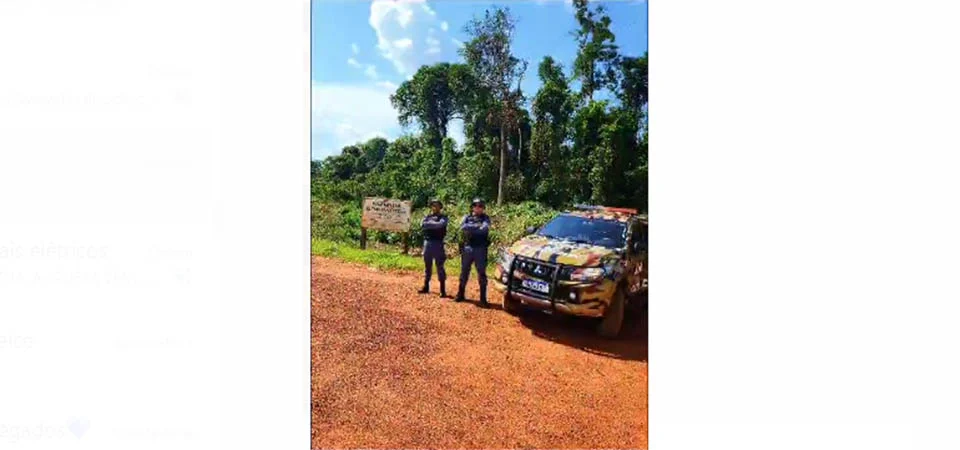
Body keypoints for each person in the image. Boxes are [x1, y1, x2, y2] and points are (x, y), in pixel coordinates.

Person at [456, 198, 491, 307]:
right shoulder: (467, 217)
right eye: (476, 205)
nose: (478, 208)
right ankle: (460, 294)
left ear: (483, 208)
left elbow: (484, 229)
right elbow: (463, 227)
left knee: (481, 273)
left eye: (480, 206)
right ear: (472, 207)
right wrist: (477, 227)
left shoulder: (486, 218)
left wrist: (472, 228)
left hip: (480, 249)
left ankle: (483, 299)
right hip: (468, 248)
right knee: (464, 271)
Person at [418, 199, 449, 297]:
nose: (435, 207)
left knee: (440, 266)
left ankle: (442, 290)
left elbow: (440, 225)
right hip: (428, 243)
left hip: (438, 243)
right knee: (427, 266)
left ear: (440, 207)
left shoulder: (443, 217)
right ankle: (426, 286)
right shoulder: (427, 217)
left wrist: (429, 224)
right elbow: (422, 224)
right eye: (433, 205)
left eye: (437, 205)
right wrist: (433, 225)